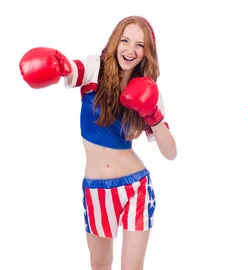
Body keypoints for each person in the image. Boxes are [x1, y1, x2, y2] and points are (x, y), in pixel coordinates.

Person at [19, 16, 176, 270]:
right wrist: (58, 64)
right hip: (96, 189)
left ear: (147, 52)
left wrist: (153, 115)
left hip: (136, 187)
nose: (130, 50)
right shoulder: (95, 68)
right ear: (116, 41)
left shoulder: (149, 90)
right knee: (100, 264)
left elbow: (170, 152)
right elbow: (71, 69)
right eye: (125, 41)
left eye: (139, 44)